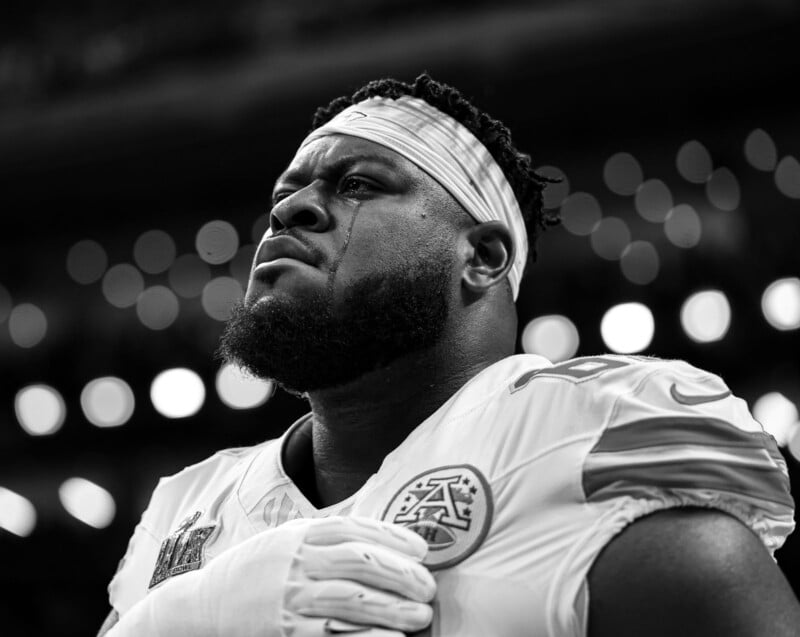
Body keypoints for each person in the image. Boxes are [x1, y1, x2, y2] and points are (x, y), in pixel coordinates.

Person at [98, 73, 800, 636]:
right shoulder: (186, 506)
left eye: (357, 184)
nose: (291, 211)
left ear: (482, 257)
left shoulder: (591, 445)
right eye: (284, 195)